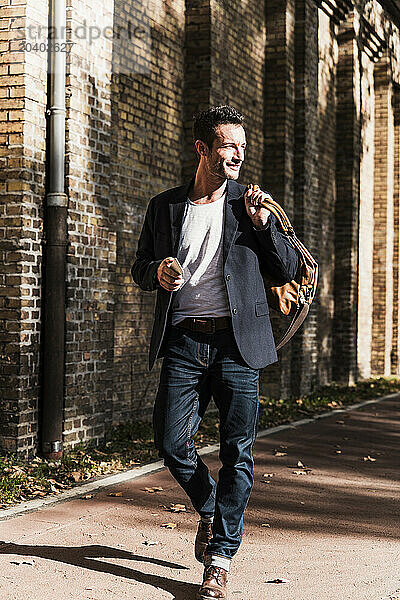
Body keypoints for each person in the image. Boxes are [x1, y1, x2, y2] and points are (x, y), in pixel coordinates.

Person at [131, 105, 298, 599]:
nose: (238, 155)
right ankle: (209, 507)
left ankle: (220, 560)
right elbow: (140, 266)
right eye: (229, 145)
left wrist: (265, 225)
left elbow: (288, 266)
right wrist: (157, 271)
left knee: (237, 454)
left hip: (237, 344)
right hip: (184, 340)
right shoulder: (164, 207)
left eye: (242, 146)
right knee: (170, 441)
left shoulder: (249, 205)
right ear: (202, 148)